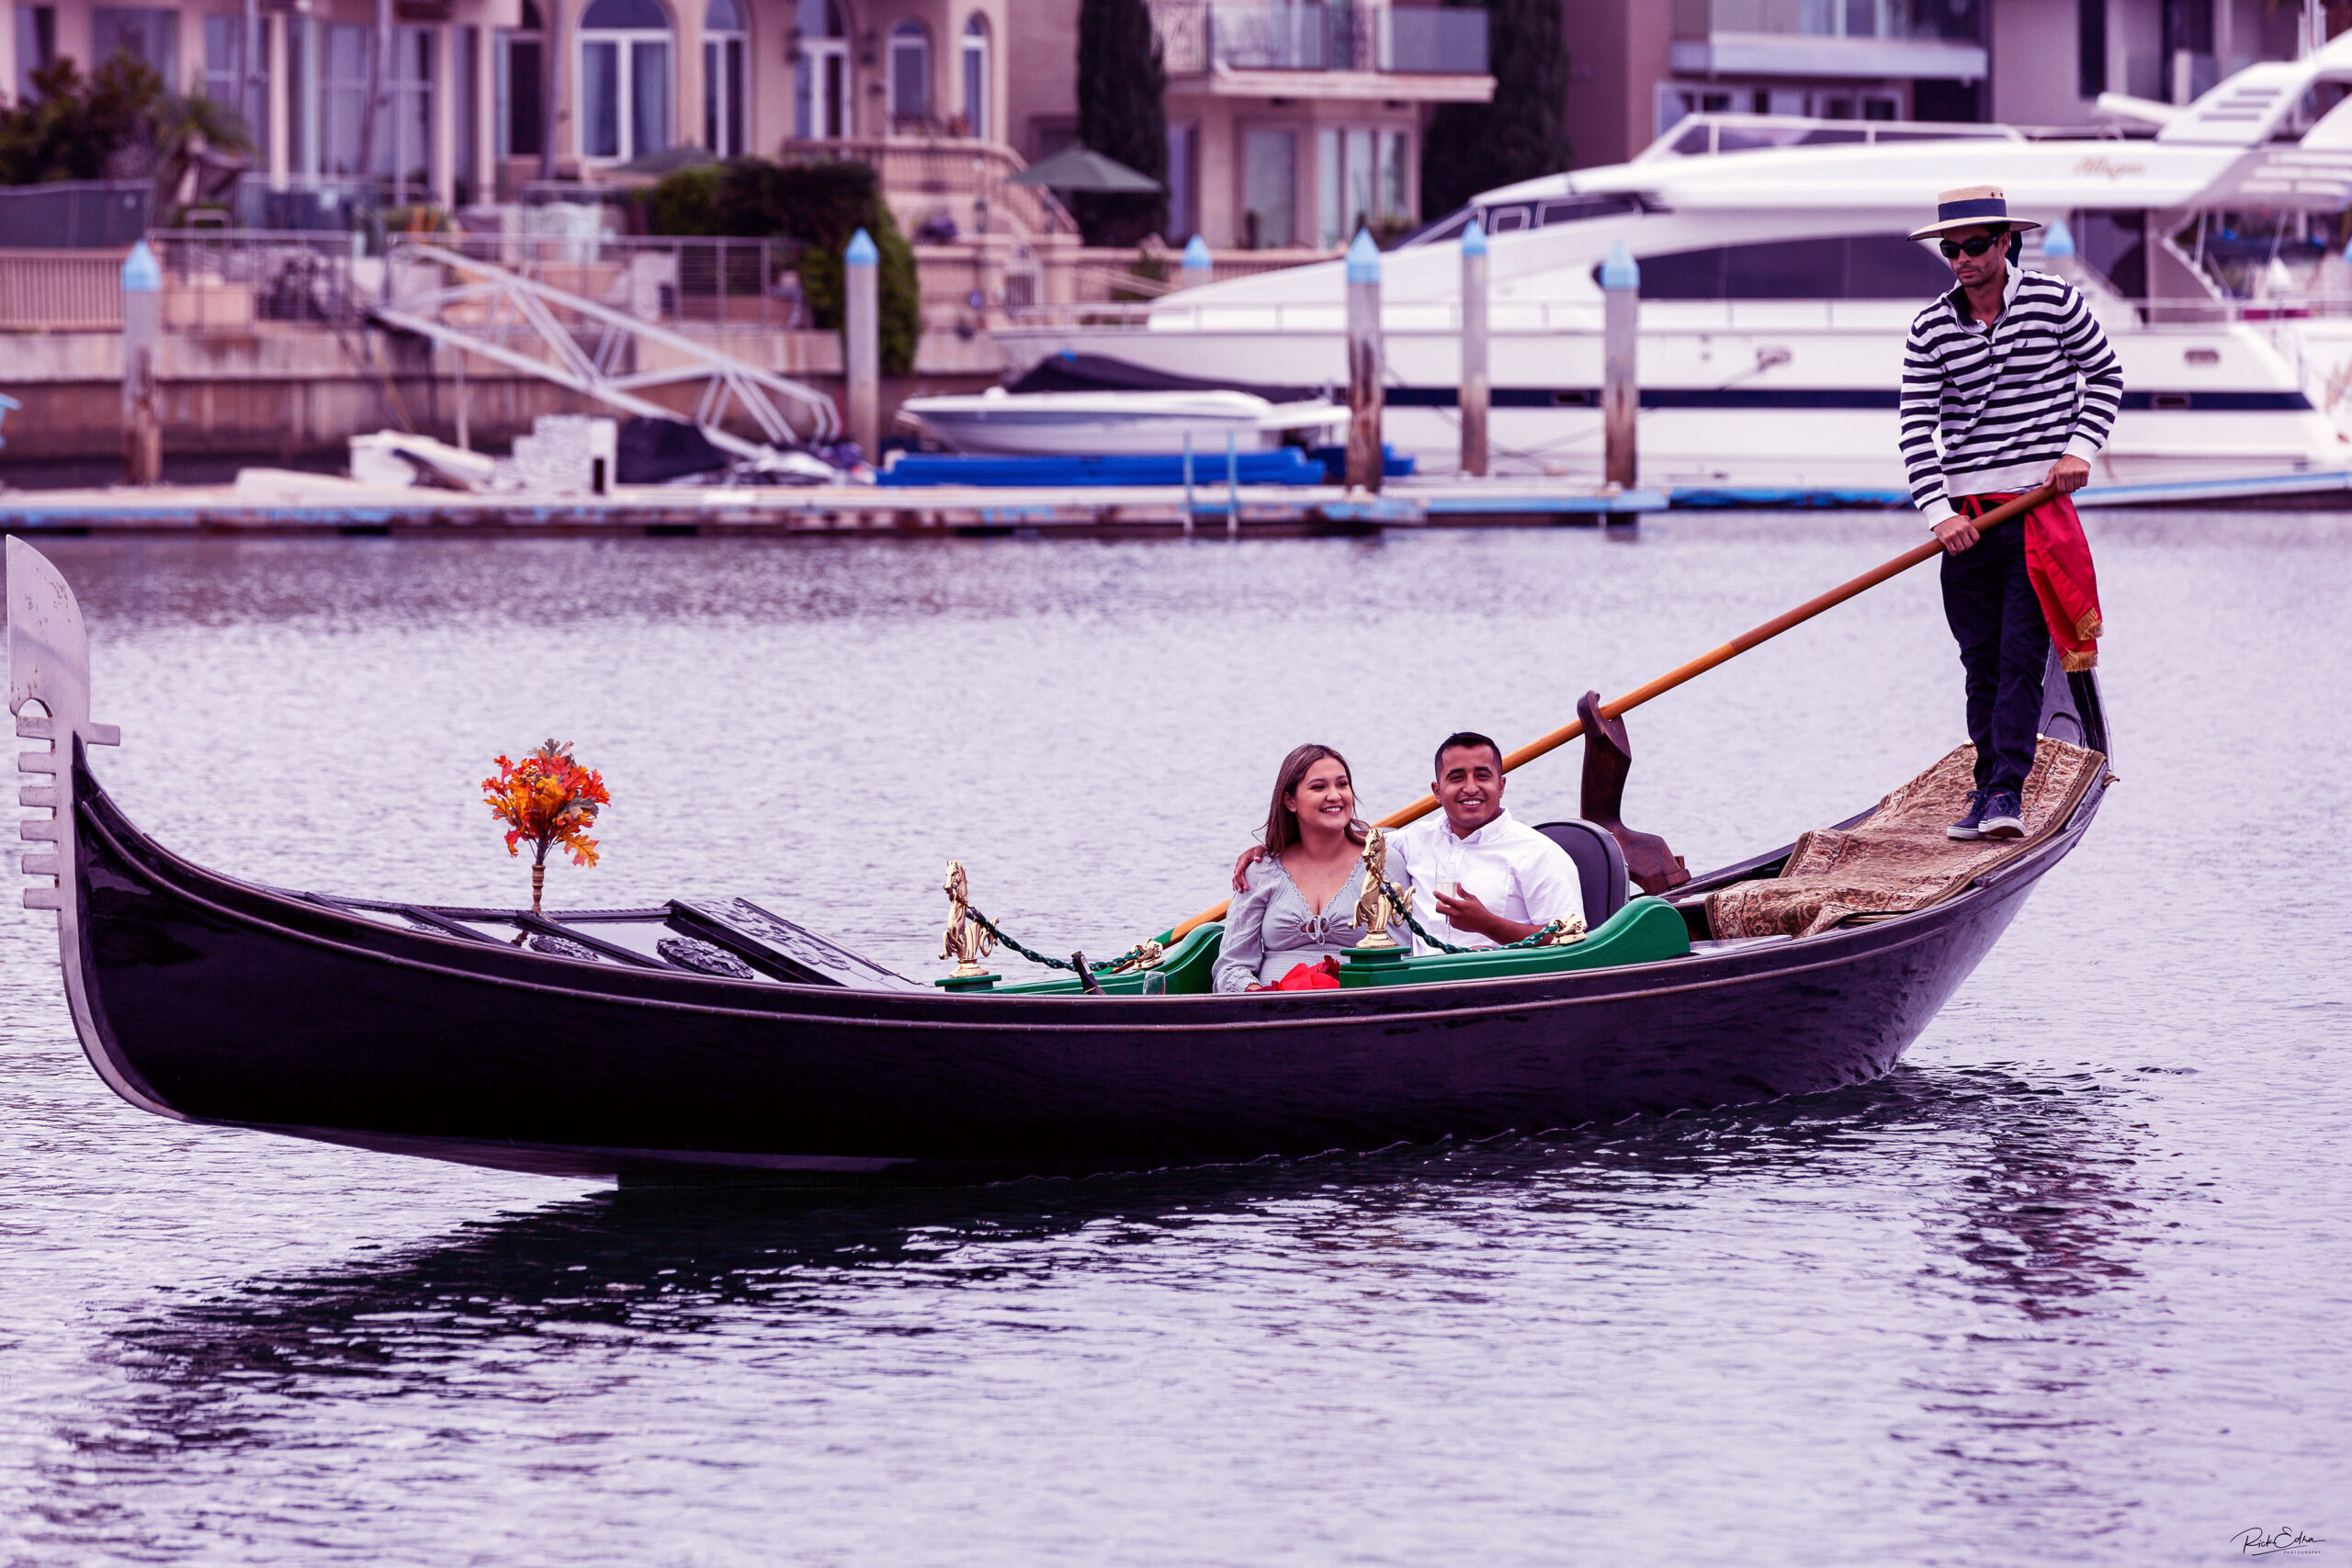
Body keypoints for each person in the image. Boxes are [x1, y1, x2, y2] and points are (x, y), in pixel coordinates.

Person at [1901, 184, 2116, 843]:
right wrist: (1939, 513)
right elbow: (1915, 428)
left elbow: (2104, 375)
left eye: (1973, 246)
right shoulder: (1929, 327)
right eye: (1951, 249)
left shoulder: (2055, 301)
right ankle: (1988, 783)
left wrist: (2079, 450)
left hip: (2034, 516)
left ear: (2003, 243)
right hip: (1968, 521)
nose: (1961, 259)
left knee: (2023, 656)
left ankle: (2003, 791)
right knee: (1981, 660)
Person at [1229, 730, 1584, 954]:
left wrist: (1489, 925)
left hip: (1500, 993)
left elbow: (1575, 945)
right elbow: (1338, 840)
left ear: (1502, 786)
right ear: (1436, 791)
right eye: (1456, 777)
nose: (1471, 788)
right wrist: (1271, 850)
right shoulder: (1410, 843)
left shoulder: (1540, 855)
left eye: (1483, 776)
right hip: (1418, 995)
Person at [1213, 743, 1411, 994]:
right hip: (1272, 1012)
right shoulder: (1260, 870)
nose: (1335, 795)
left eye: (1342, 784)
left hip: (1359, 1007)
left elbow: (1404, 957)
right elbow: (1231, 966)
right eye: (1319, 787)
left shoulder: (1383, 863)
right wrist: (1257, 995)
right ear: (1290, 801)